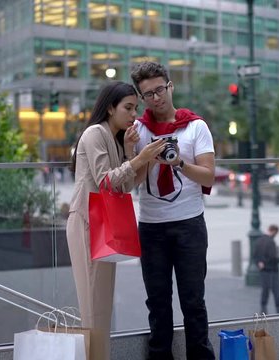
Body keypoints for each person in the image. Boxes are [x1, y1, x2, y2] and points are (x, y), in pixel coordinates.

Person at [66, 81, 167, 359]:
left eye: (135, 108)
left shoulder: (115, 138)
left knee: (100, 307)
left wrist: (139, 156)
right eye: (128, 108)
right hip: (87, 222)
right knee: (92, 308)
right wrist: (137, 159)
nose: (134, 114)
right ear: (110, 107)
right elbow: (105, 181)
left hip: (100, 225)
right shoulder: (95, 133)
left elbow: (126, 186)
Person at [130, 61, 216, 360]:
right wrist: (139, 155)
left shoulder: (195, 126)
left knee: (193, 301)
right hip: (151, 227)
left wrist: (178, 162)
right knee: (157, 302)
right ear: (141, 98)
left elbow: (208, 176)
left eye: (160, 89)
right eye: (148, 94)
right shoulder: (137, 130)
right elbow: (134, 184)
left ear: (171, 86)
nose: (156, 98)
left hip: (189, 224)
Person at [254, 224, 279, 315]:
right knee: (276, 291)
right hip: (272, 271)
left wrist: (259, 263)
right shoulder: (271, 242)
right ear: (274, 231)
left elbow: (255, 255)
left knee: (265, 291)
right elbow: (272, 258)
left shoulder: (258, 241)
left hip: (263, 271)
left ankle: (263, 310)